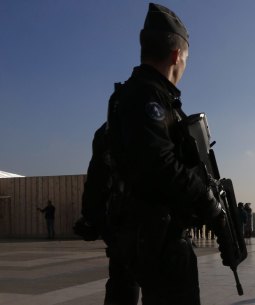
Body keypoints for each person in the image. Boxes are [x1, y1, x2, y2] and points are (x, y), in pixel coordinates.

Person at [76, 4, 231, 304]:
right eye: (186, 59)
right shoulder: (149, 98)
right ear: (177, 56)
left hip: (130, 237)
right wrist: (214, 210)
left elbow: (100, 166)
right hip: (160, 239)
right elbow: (162, 165)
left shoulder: (123, 101)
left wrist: (94, 218)